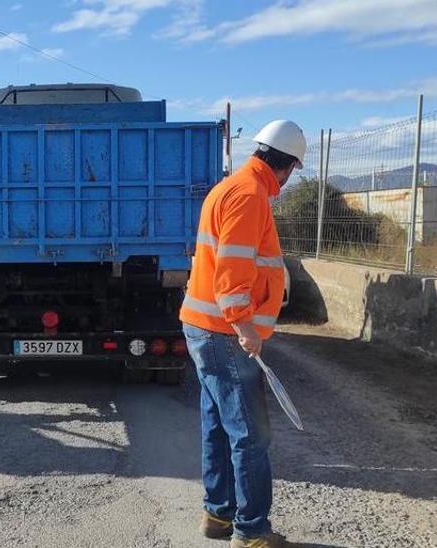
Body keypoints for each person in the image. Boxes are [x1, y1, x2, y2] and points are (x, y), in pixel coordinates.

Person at [179, 120, 305, 548]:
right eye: (293, 172)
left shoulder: (229, 187)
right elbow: (232, 271)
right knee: (251, 435)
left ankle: (218, 516)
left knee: (218, 425)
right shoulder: (250, 196)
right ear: (286, 166)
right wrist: (245, 325)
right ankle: (251, 532)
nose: (288, 182)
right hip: (224, 331)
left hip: (205, 326)